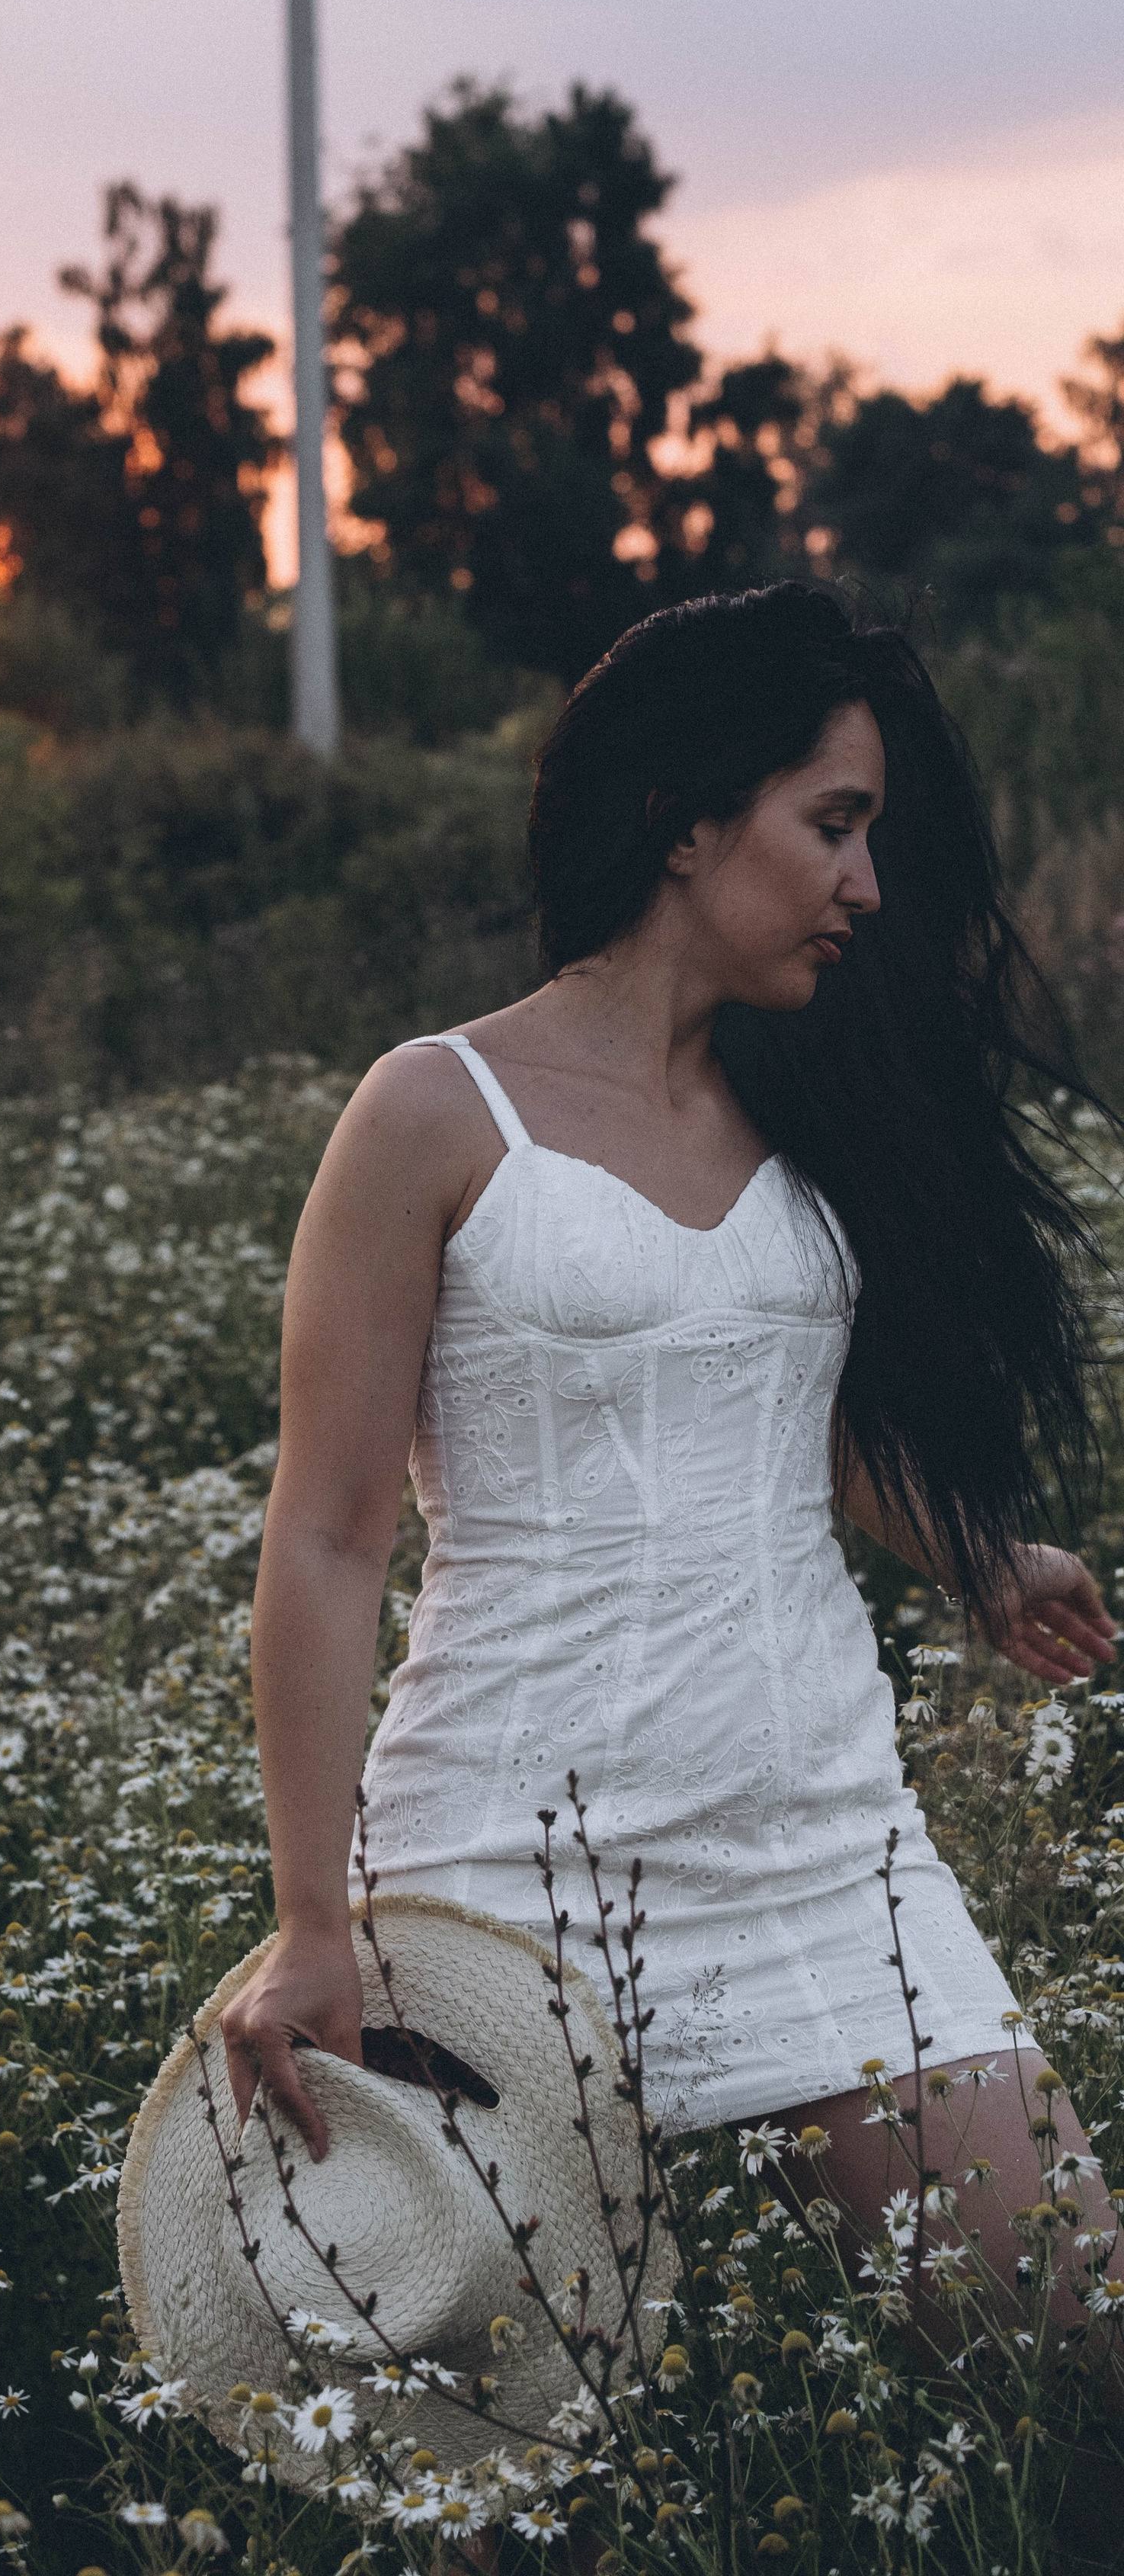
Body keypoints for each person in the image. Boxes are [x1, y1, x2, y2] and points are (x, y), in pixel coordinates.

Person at [222, 582, 1117, 2325]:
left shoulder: (810, 1106)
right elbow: (325, 1538)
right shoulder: (431, 1110)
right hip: (502, 1869)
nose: (866, 883)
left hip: (816, 1846)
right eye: (831, 825)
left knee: (1068, 2339)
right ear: (686, 819)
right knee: (507, 2435)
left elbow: (790, 1426)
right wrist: (312, 1920)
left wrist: (975, 1553)